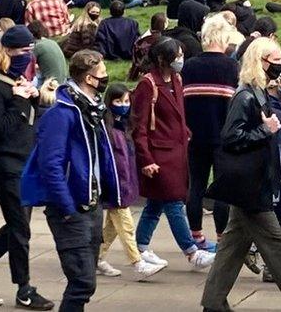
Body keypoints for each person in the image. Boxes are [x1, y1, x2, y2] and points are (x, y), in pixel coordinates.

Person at [200, 38, 281, 312]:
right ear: (260, 61)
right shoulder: (245, 95)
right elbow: (231, 136)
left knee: (232, 249)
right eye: (275, 59)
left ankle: (213, 303)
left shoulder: (258, 92)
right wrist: (266, 130)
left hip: (254, 183)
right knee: (278, 247)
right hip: (251, 187)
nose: (280, 64)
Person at [0, 25, 54, 311]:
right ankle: (24, 288)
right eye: (23, 50)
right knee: (20, 228)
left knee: (19, 226)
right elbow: (0, 129)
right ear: (9, 51)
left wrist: (38, 96)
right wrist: (18, 98)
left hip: (23, 164)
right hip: (5, 165)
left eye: (30, 50)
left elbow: (26, 120)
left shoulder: (15, 80)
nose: (28, 55)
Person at [19, 50, 118, 312]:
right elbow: (50, 165)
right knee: (82, 282)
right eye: (102, 74)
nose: (106, 77)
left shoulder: (92, 110)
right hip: (71, 209)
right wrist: (66, 208)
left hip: (91, 206)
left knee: (85, 282)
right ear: (88, 78)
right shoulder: (62, 113)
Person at [131, 38, 217, 270]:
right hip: (159, 155)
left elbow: (179, 114)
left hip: (178, 152)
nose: (181, 59)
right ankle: (191, 251)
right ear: (163, 59)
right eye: (177, 55)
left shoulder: (177, 80)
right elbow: (138, 127)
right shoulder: (147, 85)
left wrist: (185, 132)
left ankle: (140, 245)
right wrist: (146, 159)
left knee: (155, 205)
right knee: (173, 202)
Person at [96, 83, 166, 279]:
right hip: (115, 184)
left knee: (113, 225)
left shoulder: (123, 126)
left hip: (124, 182)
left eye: (126, 101)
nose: (124, 105)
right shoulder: (107, 129)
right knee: (125, 223)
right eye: (119, 101)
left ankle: (97, 256)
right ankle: (137, 262)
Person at [181, 16, 239, 252]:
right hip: (223, 135)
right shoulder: (231, 67)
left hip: (195, 135)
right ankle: (222, 238)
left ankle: (196, 237)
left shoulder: (190, 66)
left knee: (196, 185)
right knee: (222, 189)